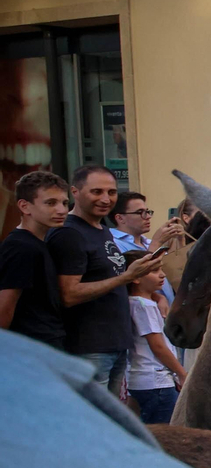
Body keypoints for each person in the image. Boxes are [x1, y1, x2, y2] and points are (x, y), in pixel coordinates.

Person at [48, 166, 163, 395]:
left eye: (111, 192)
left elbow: (109, 279)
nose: (105, 199)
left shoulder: (101, 229)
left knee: (110, 420)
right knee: (91, 421)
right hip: (88, 347)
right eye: (96, 191)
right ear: (75, 192)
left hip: (115, 344)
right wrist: (127, 277)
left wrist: (157, 295)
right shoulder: (69, 234)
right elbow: (69, 294)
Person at [0, 170, 71, 350]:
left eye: (64, 203)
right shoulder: (21, 246)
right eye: (50, 203)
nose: (61, 210)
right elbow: (5, 306)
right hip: (32, 347)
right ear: (24, 206)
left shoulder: (38, 243)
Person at [123, 250, 185, 424]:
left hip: (140, 380)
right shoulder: (145, 306)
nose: (162, 275)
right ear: (136, 278)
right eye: (154, 271)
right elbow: (157, 346)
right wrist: (181, 373)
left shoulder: (134, 302)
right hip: (156, 382)